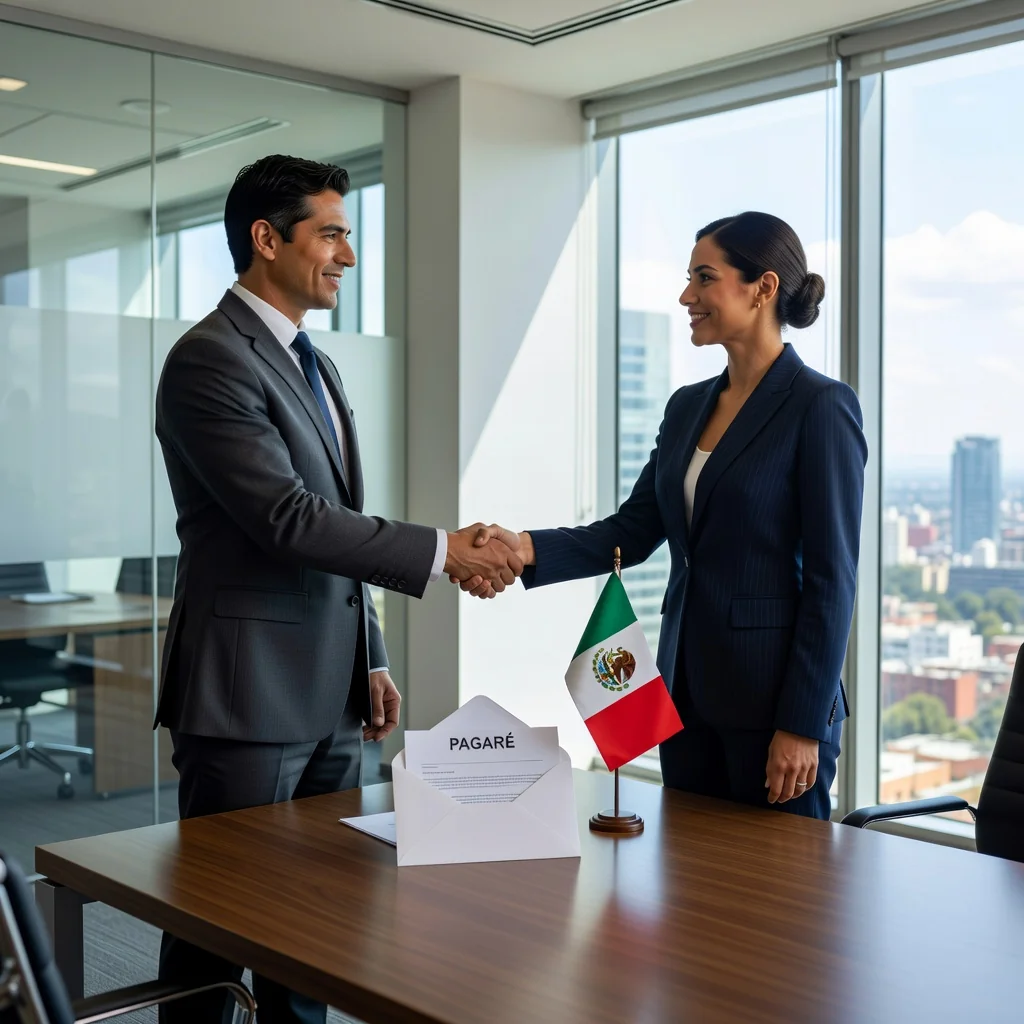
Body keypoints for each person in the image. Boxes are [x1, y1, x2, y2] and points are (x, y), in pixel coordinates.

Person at [154, 154, 522, 1024]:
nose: (348, 255)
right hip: (246, 698)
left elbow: (333, 521)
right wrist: (445, 551)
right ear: (265, 238)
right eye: (331, 233)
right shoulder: (210, 359)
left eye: (347, 235)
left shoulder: (313, 364)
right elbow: (285, 518)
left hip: (329, 692)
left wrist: (375, 655)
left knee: (317, 929)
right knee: (215, 927)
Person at [463, 211, 867, 821]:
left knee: (776, 904)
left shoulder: (820, 406)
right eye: (688, 278)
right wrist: (522, 548)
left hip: (774, 710)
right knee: (690, 893)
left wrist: (803, 725)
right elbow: (634, 529)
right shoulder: (686, 408)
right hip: (683, 696)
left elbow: (833, 582)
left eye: (705, 278)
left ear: (763, 288)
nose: (687, 296)